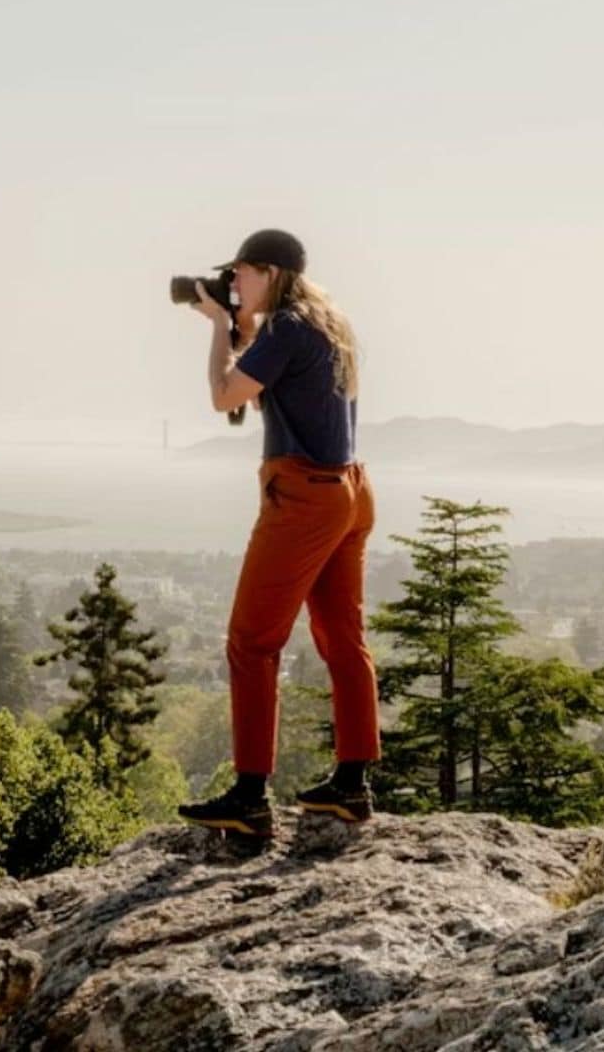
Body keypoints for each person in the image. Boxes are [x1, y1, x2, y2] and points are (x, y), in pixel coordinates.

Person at [177, 227, 381, 839]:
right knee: (342, 636)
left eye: (239, 273)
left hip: (304, 497)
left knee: (251, 642)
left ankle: (249, 797)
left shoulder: (287, 328)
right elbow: (276, 386)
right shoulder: (326, 324)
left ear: (268, 272)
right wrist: (239, 326)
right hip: (350, 490)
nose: (233, 284)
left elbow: (224, 396)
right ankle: (352, 782)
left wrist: (218, 327)